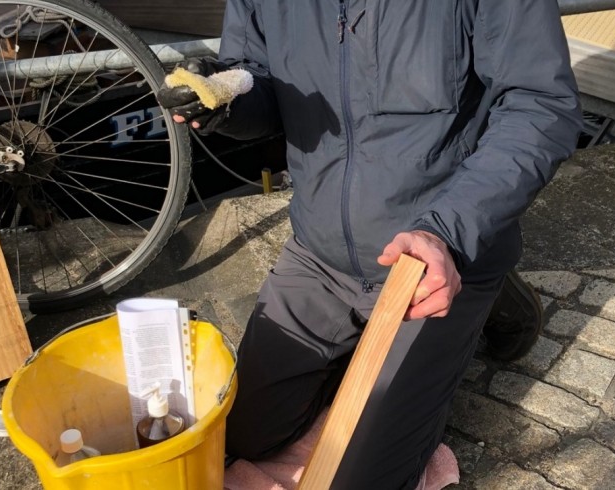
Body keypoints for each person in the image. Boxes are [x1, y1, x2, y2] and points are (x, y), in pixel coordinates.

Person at [160, 1, 582, 487]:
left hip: (427, 258)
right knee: (235, 437)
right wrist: (224, 101)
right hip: (318, 254)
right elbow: (258, 79)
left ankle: (487, 285)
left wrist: (449, 232)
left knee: (357, 478)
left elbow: (540, 104)